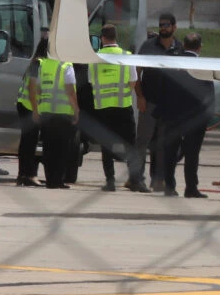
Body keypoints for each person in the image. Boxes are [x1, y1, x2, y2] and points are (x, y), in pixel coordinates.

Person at [87, 24, 148, 192]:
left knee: (106, 145)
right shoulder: (126, 56)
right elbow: (133, 81)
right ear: (116, 37)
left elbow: (92, 81)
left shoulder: (95, 58)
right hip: (123, 106)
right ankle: (135, 180)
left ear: (102, 39)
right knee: (130, 145)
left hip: (103, 108)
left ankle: (110, 181)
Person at [157, 32, 213, 197]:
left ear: (184, 45)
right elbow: (208, 94)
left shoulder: (173, 63)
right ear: (199, 47)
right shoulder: (203, 67)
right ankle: (191, 187)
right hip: (195, 117)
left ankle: (169, 186)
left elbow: (162, 88)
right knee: (192, 153)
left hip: (173, 114)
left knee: (170, 151)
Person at [134, 12, 182, 191]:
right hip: (149, 102)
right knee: (142, 141)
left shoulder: (179, 48)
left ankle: (159, 180)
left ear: (174, 27)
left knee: (163, 144)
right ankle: (136, 179)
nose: (163, 28)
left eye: (167, 25)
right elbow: (135, 72)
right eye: (161, 25)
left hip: (169, 105)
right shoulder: (148, 46)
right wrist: (139, 96)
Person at [28, 39, 80, 189]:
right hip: (63, 114)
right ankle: (58, 180)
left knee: (49, 148)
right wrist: (76, 110)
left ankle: (50, 180)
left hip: (46, 112)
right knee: (62, 149)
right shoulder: (66, 65)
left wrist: (36, 110)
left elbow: (37, 89)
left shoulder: (42, 65)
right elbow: (70, 90)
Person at [14, 28, 47, 186]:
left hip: (25, 106)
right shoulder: (38, 64)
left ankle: (24, 174)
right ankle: (28, 174)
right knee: (30, 142)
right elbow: (32, 88)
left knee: (28, 142)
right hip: (29, 107)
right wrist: (35, 110)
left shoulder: (35, 63)